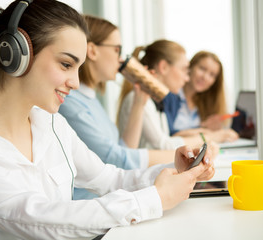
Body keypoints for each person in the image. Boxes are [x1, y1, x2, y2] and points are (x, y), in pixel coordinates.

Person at [0, 1, 215, 239]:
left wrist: (173, 171)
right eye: (66, 64)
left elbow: (108, 179)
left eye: (78, 68)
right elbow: (32, 217)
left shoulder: (52, 125)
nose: (75, 82)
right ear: (15, 55)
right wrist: (154, 199)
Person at [58, 16, 199, 200]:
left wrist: (139, 102)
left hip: (109, 198)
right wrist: (176, 157)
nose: (121, 58)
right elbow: (116, 159)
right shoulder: (70, 102)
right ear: (92, 50)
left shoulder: (91, 100)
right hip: (92, 203)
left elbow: (123, 150)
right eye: (117, 50)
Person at [117, 40, 209, 150]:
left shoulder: (158, 101)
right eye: (184, 70)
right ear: (164, 67)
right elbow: (163, 145)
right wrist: (207, 138)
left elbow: (165, 139)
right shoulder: (137, 99)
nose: (187, 78)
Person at [163, 51, 239, 143]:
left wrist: (212, 129)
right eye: (202, 69)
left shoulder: (207, 102)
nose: (205, 77)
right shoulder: (170, 95)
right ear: (190, 67)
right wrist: (206, 132)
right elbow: (167, 136)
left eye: (212, 75)